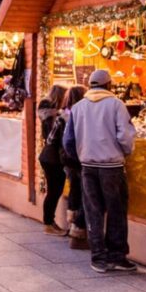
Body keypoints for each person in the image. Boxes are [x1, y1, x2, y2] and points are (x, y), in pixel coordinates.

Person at [63, 69, 137, 273]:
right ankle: (117, 256)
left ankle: (98, 258)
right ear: (109, 85)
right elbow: (125, 136)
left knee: (93, 211)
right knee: (116, 211)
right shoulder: (116, 105)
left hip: (88, 166)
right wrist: (124, 152)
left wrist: (81, 156)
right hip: (111, 166)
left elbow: (68, 140)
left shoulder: (77, 108)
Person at [51, 85, 89, 250]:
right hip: (80, 158)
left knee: (75, 189)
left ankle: (72, 222)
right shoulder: (82, 114)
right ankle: (78, 230)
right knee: (84, 193)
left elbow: (52, 139)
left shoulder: (62, 115)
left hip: (67, 159)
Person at [37, 84, 68, 236]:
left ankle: (49, 222)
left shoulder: (49, 115)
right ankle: (48, 223)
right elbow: (54, 137)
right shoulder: (56, 116)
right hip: (53, 157)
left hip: (49, 156)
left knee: (54, 191)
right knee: (54, 191)